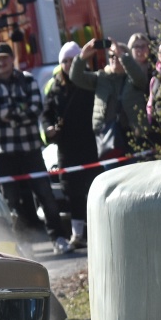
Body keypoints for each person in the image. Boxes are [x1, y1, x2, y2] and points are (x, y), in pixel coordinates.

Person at [0, 41, 70, 253]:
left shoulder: (27, 79)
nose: (2, 62)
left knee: (45, 194)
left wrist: (8, 113)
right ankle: (22, 243)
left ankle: (58, 238)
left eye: (5, 58)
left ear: (12, 59)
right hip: (2, 152)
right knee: (11, 201)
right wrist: (20, 110)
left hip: (30, 149)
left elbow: (35, 108)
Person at [42, 42, 97, 250]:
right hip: (66, 147)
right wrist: (48, 129)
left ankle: (96, 231)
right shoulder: (54, 85)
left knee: (93, 187)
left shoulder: (90, 79)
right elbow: (46, 113)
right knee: (72, 191)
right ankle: (77, 235)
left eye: (72, 60)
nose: (67, 64)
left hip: (90, 143)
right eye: (64, 61)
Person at [69, 36, 149, 159]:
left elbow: (140, 78)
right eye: (111, 56)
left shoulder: (134, 79)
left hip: (134, 137)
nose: (114, 59)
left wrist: (122, 55)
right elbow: (75, 77)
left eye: (117, 56)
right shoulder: (102, 78)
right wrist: (82, 57)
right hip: (108, 137)